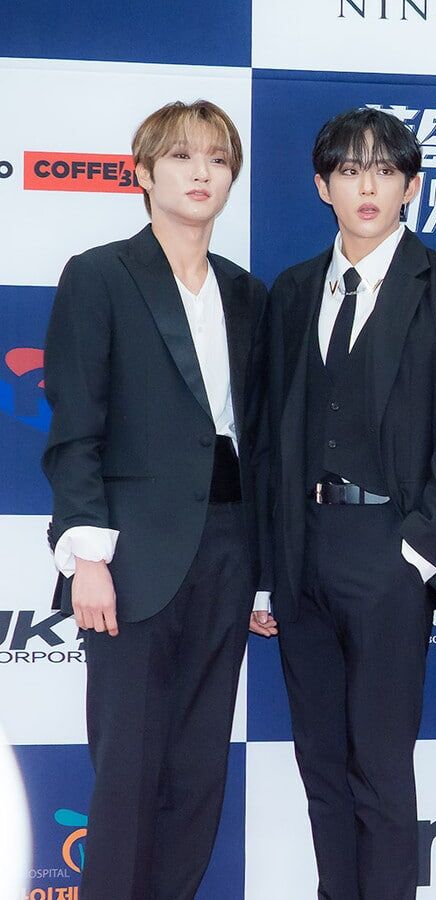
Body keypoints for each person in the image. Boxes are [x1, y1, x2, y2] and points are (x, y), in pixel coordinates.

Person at [254, 107, 436, 900]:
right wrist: (267, 571)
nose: (368, 186)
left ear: (412, 187)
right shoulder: (293, 291)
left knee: (382, 771)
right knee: (321, 767)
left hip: (392, 551)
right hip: (302, 551)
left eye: (385, 170)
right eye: (350, 170)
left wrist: (418, 552)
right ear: (322, 186)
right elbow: (267, 438)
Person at [42, 99, 267, 899]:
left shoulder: (247, 293)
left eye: (217, 158)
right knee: (129, 767)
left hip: (231, 548)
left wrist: (264, 574)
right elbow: (75, 427)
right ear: (142, 173)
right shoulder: (100, 274)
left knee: (200, 769)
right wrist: (86, 555)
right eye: (180, 156)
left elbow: (260, 438)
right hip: (131, 555)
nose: (201, 172)